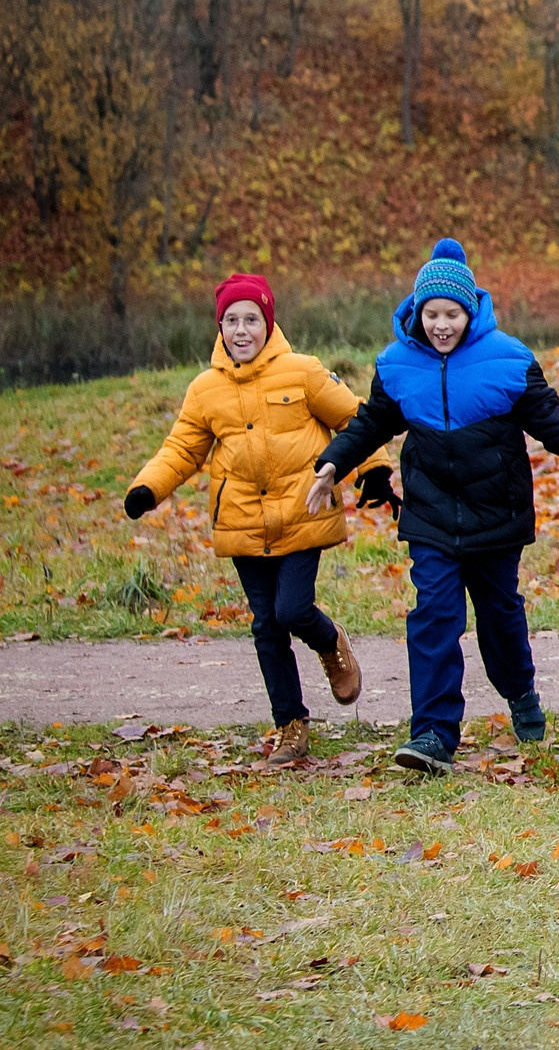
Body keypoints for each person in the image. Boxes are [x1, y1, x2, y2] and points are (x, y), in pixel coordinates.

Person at [308, 239, 559, 775]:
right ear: (417, 313)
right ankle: (432, 733)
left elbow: (553, 426)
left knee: (499, 616)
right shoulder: (397, 364)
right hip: (430, 514)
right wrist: (333, 463)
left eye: (451, 314)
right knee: (434, 616)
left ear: (470, 310)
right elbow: (370, 423)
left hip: (497, 514)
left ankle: (521, 694)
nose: (441, 325)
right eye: (432, 314)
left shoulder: (509, 359)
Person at [126, 273, 377, 763]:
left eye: (252, 320)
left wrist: (373, 467)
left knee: (292, 610)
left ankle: (331, 642)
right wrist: (148, 487)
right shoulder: (205, 390)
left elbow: (355, 420)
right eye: (231, 321)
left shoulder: (302, 372)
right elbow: (182, 448)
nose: (242, 330)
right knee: (266, 626)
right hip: (242, 520)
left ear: (269, 323)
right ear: (220, 327)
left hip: (303, 511)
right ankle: (290, 726)